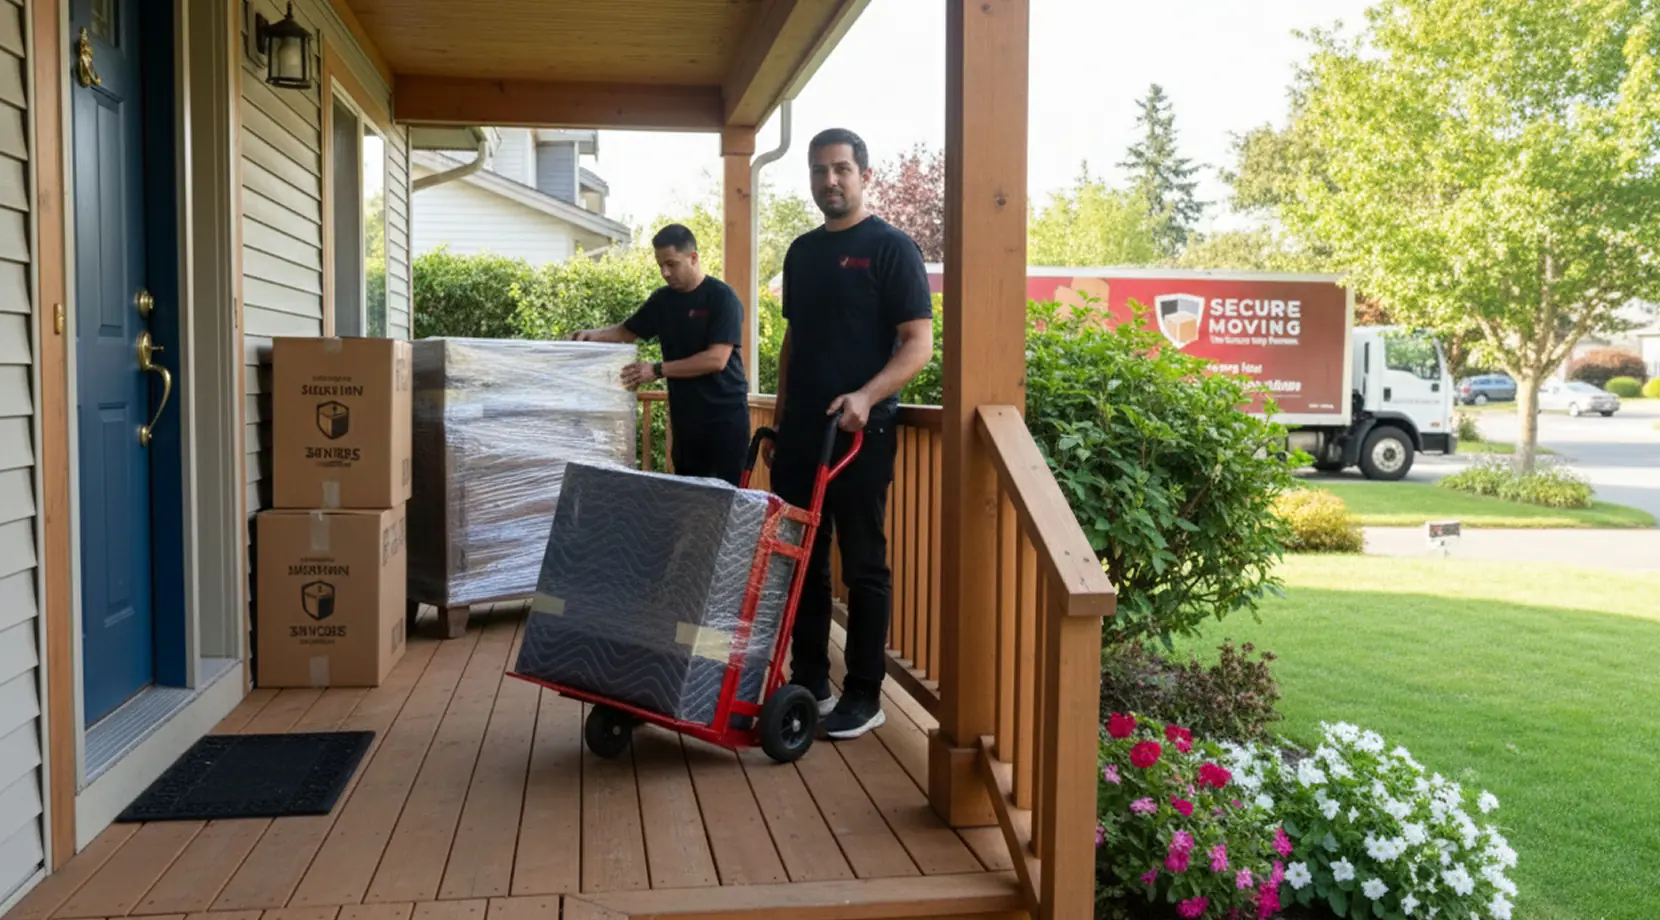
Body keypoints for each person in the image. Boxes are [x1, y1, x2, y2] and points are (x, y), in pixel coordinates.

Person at [768, 128, 935, 740]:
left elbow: (919, 344)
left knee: (863, 565)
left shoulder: (893, 249)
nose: (829, 181)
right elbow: (794, 342)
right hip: (802, 435)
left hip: (863, 433)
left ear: (864, 174)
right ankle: (810, 677)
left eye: (840, 169)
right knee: (802, 560)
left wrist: (866, 396)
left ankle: (865, 693)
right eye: (818, 171)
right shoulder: (801, 252)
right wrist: (783, 415)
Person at [571, 224, 752, 485]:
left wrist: (656, 370)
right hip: (685, 421)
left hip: (725, 421)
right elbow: (626, 331)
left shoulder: (722, 297)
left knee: (725, 501)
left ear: (693, 258)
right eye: (660, 265)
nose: (665, 272)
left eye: (671, 264)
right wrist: (589, 335)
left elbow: (716, 359)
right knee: (688, 497)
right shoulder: (662, 301)